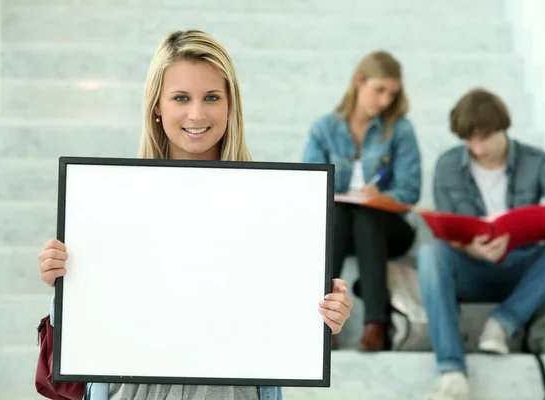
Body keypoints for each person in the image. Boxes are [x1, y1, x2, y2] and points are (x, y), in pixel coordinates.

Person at [37, 29, 353, 400]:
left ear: (230, 104)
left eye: (212, 97)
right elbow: (90, 328)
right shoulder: (112, 200)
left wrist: (327, 314)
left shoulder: (274, 204)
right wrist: (63, 283)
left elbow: (279, 321)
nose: (197, 114)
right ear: (157, 104)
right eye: (181, 98)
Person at [417, 88, 545, 400]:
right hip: (472, 270)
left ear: (503, 127)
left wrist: (533, 229)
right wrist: (472, 248)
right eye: (469, 140)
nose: (477, 148)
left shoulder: (536, 161)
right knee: (431, 254)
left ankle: (504, 322)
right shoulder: (448, 166)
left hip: (525, 270)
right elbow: (446, 233)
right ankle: (451, 372)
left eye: (484, 137)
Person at [301, 50, 421, 351]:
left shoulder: (400, 130)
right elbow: (310, 188)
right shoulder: (323, 129)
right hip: (340, 228)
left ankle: (375, 325)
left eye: (392, 94)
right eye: (379, 90)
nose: (385, 101)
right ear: (359, 80)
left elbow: (409, 191)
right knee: (339, 214)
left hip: (386, 227)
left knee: (367, 216)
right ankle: (326, 324)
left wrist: (381, 198)